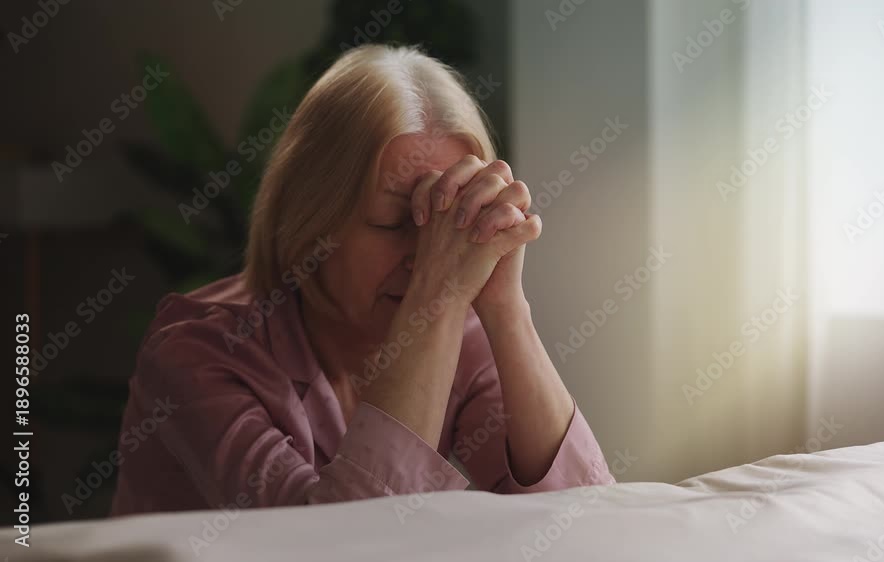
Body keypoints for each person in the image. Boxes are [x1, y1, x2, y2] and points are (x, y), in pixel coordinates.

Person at [110, 44, 614, 515]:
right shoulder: (195, 354)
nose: (432, 256)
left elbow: (583, 520)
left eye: (450, 221)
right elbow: (338, 545)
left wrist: (507, 310)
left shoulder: (462, 335)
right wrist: (435, 302)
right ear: (309, 221)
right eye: (396, 223)